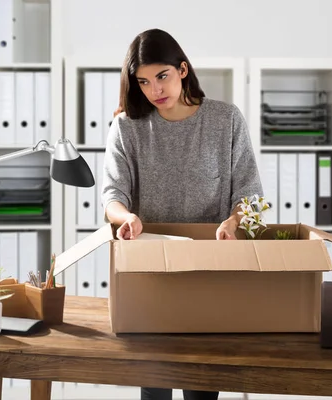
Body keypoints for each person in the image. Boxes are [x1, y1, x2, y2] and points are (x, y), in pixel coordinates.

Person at [100, 28, 263, 400]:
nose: (155, 90)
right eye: (143, 82)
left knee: (202, 388)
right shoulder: (127, 127)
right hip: (151, 270)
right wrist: (125, 217)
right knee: (154, 389)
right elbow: (112, 195)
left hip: (211, 271)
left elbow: (250, 193)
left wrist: (235, 221)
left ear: (183, 70)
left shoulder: (225, 120)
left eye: (162, 76)